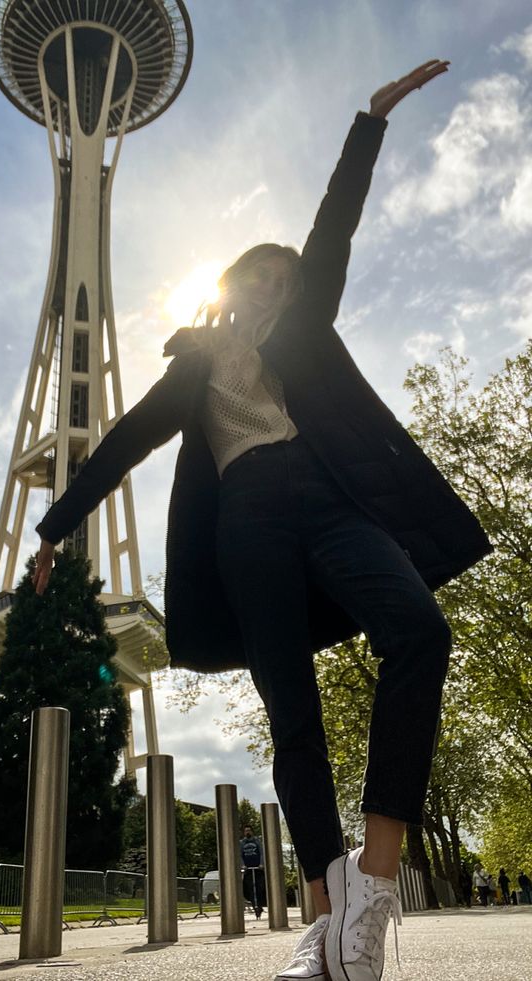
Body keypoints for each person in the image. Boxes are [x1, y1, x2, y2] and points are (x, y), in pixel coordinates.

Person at [33, 60, 491, 981]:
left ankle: (375, 880)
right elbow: (122, 440)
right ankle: (325, 925)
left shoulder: (306, 327)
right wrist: (53, 529)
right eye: (265, 276)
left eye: (289, 279)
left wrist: (370, 121)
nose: (280, 285)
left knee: (420, 630)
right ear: (235, 286)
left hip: (331, 505)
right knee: (293, 707)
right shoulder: (194, 365)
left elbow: (334, 229)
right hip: (247, 521)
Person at [240, 824, 266, 918]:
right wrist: (242, 865)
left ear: (252, 832)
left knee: (259, 888)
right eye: (246, 831)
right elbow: (240, 855)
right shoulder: (242, 843)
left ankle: (259, 906)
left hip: (258, 869)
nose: (247, 832)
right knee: (249, 889)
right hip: (248, 869)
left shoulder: (257, 842)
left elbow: (262, 853)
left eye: (249, 830)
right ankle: (255, 905)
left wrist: (261, 864)